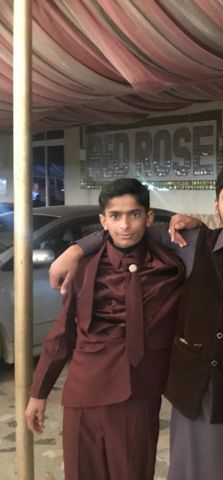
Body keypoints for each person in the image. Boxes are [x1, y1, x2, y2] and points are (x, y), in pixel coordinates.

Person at [49, 164, 223, 480]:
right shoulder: (190, 243)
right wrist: (76, 249)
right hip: (192, 395)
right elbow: (127, 230)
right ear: (216, 205)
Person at [25, 178, 185, 480]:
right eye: (115, 216)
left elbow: (220, 239)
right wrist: (38, 392)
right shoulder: (83, 268)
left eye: (134, 214)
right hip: (84, 392)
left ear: (148, 217)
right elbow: (62, 333)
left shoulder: (170, 267)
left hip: (139, 394)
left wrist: (190, 223)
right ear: (103, 221)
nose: (125, 225)